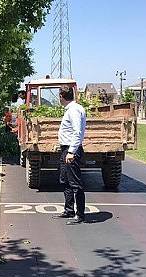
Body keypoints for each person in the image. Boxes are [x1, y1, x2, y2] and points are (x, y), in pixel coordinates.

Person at [57, 86, 87, 225]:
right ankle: (69, 210)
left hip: (71, 150)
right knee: (66, 180)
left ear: (62, 96)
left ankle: (80, 214)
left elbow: (77, 132)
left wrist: (71, 152)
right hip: (66, 149)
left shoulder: (74, 110)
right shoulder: (71, 109)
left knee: (75, 182)